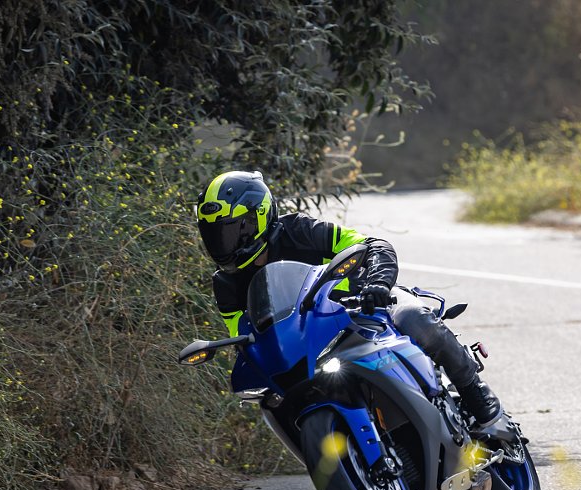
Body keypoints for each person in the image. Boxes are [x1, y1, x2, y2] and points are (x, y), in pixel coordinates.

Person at [195, 170, 501, 427]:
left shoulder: (297, 230)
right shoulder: (226, 284)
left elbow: (370, 245)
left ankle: (474, 391)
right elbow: (244, 336)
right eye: (214, 234)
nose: (222, 242)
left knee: (415, 318)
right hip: (310, 342)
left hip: (365, 309)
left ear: (256, 218)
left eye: (231, 230)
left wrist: (378, 283)